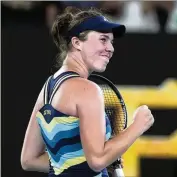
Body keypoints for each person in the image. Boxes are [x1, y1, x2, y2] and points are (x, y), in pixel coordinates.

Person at [20, 6, 155, 177]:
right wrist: (138, 125)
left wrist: (76, 163)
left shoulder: (49, 87)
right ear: (77, 43)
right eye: (103, 39)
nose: (111, 48)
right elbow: (97, 161)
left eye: (111, 42)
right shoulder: (87, 90)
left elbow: (29, 160)